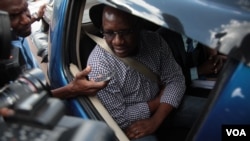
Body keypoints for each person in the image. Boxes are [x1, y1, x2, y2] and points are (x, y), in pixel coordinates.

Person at [87, 4, 186, 140]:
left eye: (126, 32)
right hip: (131, 125)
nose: (118, 41)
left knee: (212, 113)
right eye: (109, 33)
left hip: (165, 106)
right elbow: (119, 119)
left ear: (138, 27)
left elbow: (176, 79)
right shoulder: (100, 65)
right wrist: (156, 102)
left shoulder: (154, 41)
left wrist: (156, 120)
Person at [0, 0, 108, 116]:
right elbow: (20, 105)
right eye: (13, 16)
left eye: (25, 9)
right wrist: (71, 89)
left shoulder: (15, 30)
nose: (26, 20)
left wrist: (36, 17)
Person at [157, 28, 227, 93]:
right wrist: (198, 71)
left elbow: (210, 57)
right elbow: (164, 79)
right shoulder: (162, 38)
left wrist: (215, 59)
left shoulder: (205, 33)